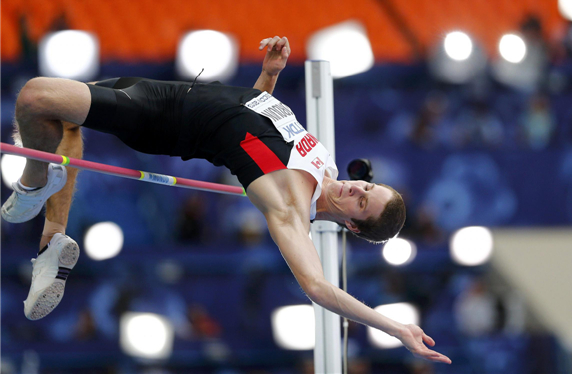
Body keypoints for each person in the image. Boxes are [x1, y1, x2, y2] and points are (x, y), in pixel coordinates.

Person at [2, 36, 451, 365]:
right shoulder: (327, 166)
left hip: (161, 119)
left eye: (360, 204)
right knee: (64, 124)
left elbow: (318, 289)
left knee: (37, 97)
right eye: (367, 189)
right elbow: (254, 128)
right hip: (167, 90)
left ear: (352, 226)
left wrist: (394, 327)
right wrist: (269, 77)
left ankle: (32, 183)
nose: (356, 191)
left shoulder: (289, 208)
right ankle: (50, 244)